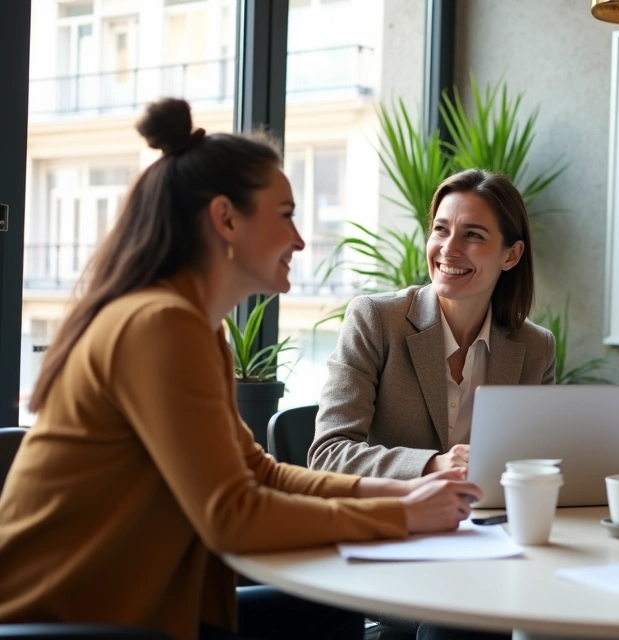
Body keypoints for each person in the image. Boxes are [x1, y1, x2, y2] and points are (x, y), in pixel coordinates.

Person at [0, 98, 482, 640]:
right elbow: (231, 515)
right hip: (73, 623)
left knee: (329, 609)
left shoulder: (197, 327)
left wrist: (405, 495)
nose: (300, 239)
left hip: (146, 610)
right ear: (226, 218)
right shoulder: (160, 325)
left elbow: (260, 474)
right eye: (286, 214)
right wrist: (403, 516)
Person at [307, 169, 555, 481]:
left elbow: (537, 463)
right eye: (441, 230)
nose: (449, 249)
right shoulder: (376, 320)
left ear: (511, 255)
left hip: (488, 512)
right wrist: (434, 465)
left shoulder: (535, 348)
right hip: (393, 509)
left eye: (473, 235)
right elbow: (329, 455)